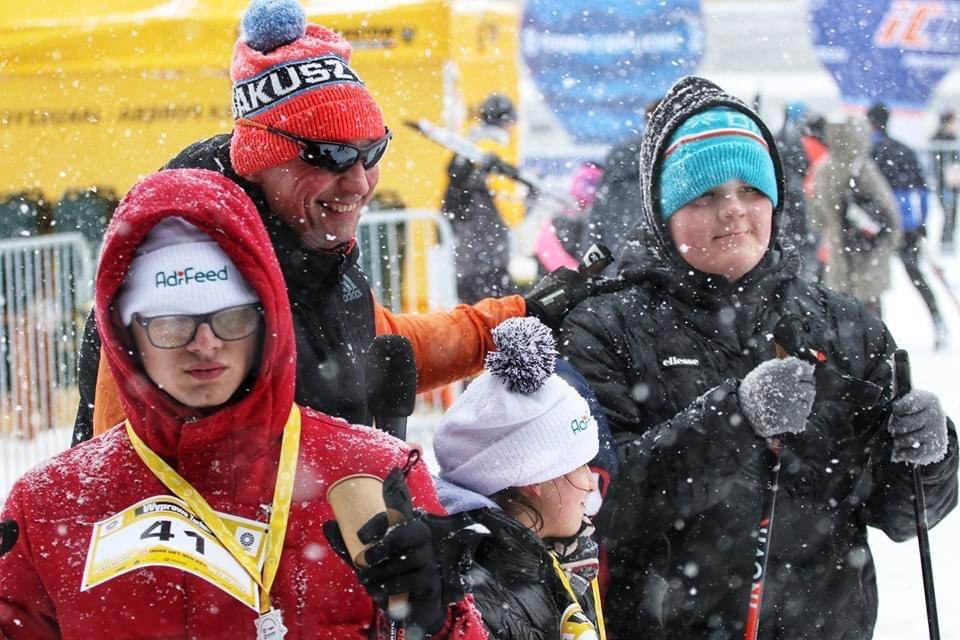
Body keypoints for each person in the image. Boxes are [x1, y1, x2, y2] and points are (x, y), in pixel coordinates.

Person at [73, 0, 601, 444]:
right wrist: (362, 480)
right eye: (326, 156)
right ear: (261, 157)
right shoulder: (183, 265)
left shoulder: (305, 244)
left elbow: (380, 344)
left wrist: (520, 314)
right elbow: (128, 467)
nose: (358, 183)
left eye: (372, 152)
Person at [0, 169, 487, 639]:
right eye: (172, 324)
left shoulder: (375, 474)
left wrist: (437, 619)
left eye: (232, 317)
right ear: (126, 332)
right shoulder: (51, 505)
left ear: (266, 314)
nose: (206, 344)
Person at [560, 76, 958, 639]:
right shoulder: (606, 328)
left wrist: (928, 457)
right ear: (663, 212)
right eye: (705, 196)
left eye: (751, 191)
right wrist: (731, 421)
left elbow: (902, 514)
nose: (735, 213)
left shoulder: (845, 326)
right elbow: (596, 505)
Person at [431, 316, 605, 639]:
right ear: (534, 479)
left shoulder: (562, 561)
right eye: (578, 466)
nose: (590, 484)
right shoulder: (485, 597)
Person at [867, 102, 948, 348]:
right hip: (910, 222)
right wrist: (921, 221)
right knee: (916, 276)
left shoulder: (871, 152)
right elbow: (923, 189)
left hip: (882, 225)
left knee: (875, 281)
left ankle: (877, 334)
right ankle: (937, 320)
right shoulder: (904, 150)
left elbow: (871, 195)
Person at [810, 114, 901, 318]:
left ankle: (848, 346)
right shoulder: (863, 167)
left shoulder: (823, 168)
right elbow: (889, 209)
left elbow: (816, 218)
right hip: (869, 249)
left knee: (842, 310)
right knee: (871, 309)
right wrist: (893, 238)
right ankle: (874, 347)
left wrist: (834, 226)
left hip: (838, 248)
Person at [441, 92, 523, 303]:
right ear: (506, 122)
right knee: (492, 307)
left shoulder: (468, 145)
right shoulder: (494, 150)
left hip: (470, 253)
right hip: (486, 252)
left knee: (474, 307)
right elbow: (510, 208)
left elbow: (452, 190)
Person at [533, 161, 604, 274]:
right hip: (572, 281)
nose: (586, 189)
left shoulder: (558, 220)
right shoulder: (561, 220)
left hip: (558, 283)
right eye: (583, 183)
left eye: (590, 184)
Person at [775, 101, 816, 279]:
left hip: (784, 195)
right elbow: (805, 166)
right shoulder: (801, 139)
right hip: (798, 194)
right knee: (801, 241)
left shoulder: (778, 136)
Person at [930, 110, 959, 252]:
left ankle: (948, 242)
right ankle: (945, 242)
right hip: (943, 182)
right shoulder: (939, 138)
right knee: (948, 212)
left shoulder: (952, 138)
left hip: (952, 182)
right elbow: (938, 164)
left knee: (951, 213)